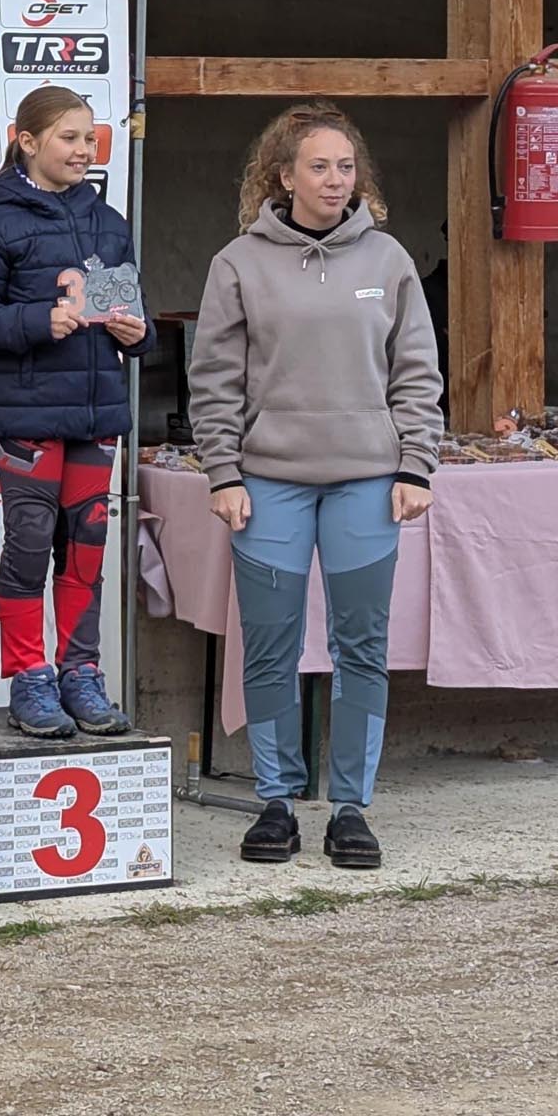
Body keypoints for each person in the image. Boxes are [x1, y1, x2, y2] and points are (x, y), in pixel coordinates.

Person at [190, 103, 441, 869]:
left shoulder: (389, 261)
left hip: (367, 481)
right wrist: (223, 472)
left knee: (361, 646)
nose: (336, 179)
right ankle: (275, 802)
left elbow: (416, 371)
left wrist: (416, 464)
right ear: (284, 176)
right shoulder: (239, 263)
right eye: (320, 166)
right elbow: (215, 380)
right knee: (270, 644)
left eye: (346, 166)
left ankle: (350, 808)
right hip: (269, 483)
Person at [0, 85, 149, 740]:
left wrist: (136, 334)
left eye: (90, 138)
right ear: (28, 141)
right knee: (31, 543)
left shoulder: (108, 222)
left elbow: (134, 313)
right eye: (69, 137)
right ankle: (28, 676)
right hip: (26, 414)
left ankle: (80, 671)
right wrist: (40, 320)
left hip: (96, 414)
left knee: (87, 545)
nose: (84, 150)